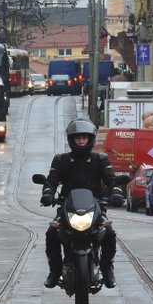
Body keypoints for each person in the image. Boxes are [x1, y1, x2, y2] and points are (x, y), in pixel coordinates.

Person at [40, 118, 118, 287]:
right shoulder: (61, 159)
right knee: (51, 234)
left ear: (90, 139)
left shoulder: (100, 159)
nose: (81, 141)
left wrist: (116, 193)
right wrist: (48, 194)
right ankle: (54, 270)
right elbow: (51, 181)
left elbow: (111, 179)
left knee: (109, 234)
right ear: (71, 139)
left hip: (95, 209)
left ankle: (107, 268)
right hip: (68, 208)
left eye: (84, 137)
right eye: (78, 137)